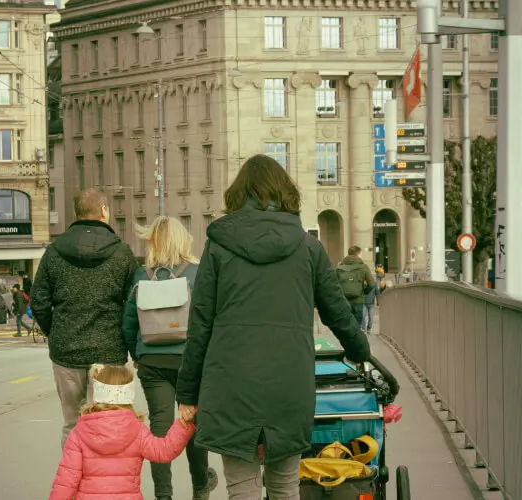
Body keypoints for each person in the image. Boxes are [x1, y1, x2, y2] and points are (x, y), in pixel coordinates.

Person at [175, 154, 371, 499]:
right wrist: (359, 352)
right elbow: (337, 312)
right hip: (288, 381)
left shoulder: (219, 246)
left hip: (230, 382)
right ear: (285, 193)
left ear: (239, 194)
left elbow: (200, 322)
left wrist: (188, 393)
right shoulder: (309, 248)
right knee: (284, 486)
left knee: (242, 488)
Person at [31, 189, 139, 447]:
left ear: (77, 213)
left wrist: (55, 332)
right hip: (109, 355)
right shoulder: (122, 253)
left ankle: (75, 482)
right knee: (108, 426)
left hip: (66, 353)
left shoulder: (54, 252)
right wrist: (128, 344)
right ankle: (103, 485)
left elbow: (39, 301)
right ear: (103, 211)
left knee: (72, 424)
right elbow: (134, 305)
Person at [122, 216, 218, 500]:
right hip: (189, 360)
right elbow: (208, 319)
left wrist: (137, 354)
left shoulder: (143, 276)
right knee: (190, 423)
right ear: (182, 240)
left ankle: (163, 495)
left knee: (160, 431)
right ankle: (200, 486)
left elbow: (129, 323)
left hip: (152, 362)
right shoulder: (198, 273)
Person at [49, 365, 194, 500]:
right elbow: (164, 451)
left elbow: (66, 480)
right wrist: (184, 424)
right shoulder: (137, 430)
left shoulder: (79, 432)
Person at [336, 247, 374, 333]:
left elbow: (333, 284)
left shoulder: (339, 267)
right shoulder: (363, 267)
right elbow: (371, 284)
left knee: (345, 328)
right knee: (356, 329)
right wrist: (364, 291)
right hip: (358, 300)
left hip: (343, 301)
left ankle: (345, 345)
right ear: (359, 254)